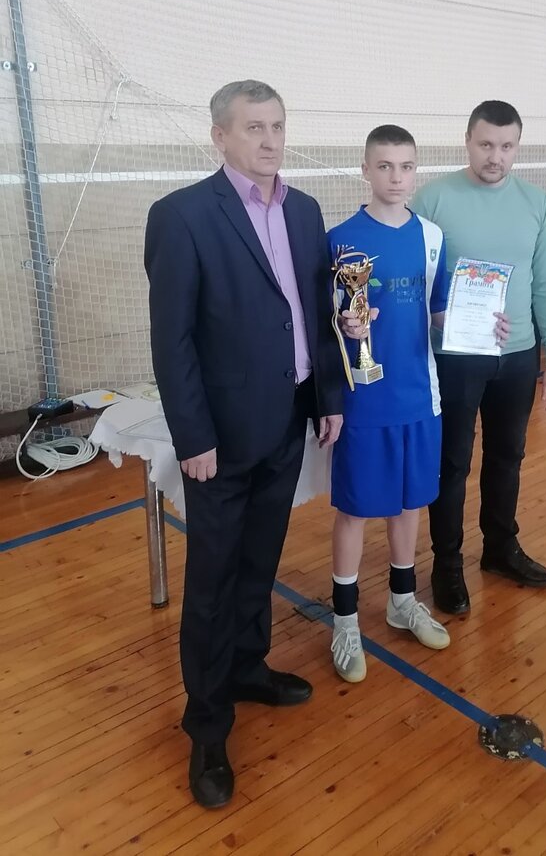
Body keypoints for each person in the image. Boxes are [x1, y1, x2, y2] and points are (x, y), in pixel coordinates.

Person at [144, 80, 344, 809]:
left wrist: (327, 398)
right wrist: (193, 435)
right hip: (221, 438)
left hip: (288, 419)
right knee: (212, 579)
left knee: (261, 558)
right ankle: (206, 723)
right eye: (254, 127)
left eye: (278, 126)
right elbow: (173, 341)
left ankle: (248, 667)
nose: (269, 140)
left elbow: (316, 315)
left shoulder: (304, 210)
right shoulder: (182, 217)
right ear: (220, 136)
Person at [413, 100, 546, 615]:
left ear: (517, 147)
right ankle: (447, 564)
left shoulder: (536, 203)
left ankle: (500, 548)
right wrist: (439, 317)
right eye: (485, 144)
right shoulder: (433, 199)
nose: (495, 156)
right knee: (451, 464)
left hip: (518, 355)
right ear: (467, 141)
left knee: (507, 456)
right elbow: (415, 280)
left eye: (506, 146)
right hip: (455, 356)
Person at [326, 124, 453, 684]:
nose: (396, 177)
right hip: (363, 400)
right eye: (384, 166)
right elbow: (327, 322)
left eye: (405, 166)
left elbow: (441, 313)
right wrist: (345, 324)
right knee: (355, 509)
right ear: (365, 170)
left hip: (421, 396)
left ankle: (402, 601)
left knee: (409, 504)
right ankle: (344, 621)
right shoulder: (339, 240)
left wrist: (482, 326)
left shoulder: (433, 237)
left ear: (415, 171)